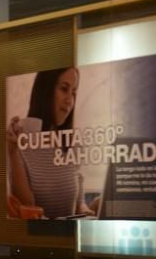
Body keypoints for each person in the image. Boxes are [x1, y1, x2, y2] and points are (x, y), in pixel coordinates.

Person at [7, 67, 95, 219]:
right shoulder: (19, 141)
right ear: (45, 91)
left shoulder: (73, 144)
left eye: (73, 92)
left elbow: (79, 201)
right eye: (64, 89)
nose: (70, 100)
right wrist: (13, 153)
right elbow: (27, 207)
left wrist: (86, 210)